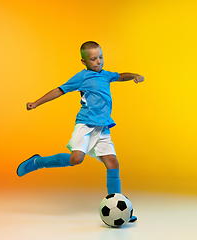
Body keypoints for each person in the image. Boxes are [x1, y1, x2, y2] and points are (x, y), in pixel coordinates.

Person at [17, 41, 144, 223]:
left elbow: (121, 76)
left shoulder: (106, 75)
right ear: (84, 62)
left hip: (102, 128)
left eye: (100, 57)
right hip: (85, 125)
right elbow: (59, 90)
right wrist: (36, 103)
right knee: (76, 159)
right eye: (93, 59)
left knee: (113, 163)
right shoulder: (82, 77)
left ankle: (120, 207)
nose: (98, 62)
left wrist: (135, 76)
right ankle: (38, 162)